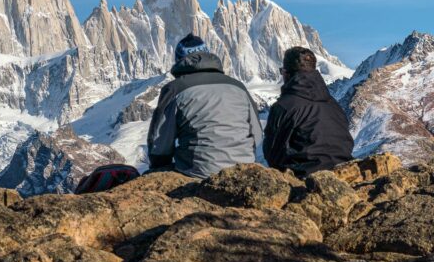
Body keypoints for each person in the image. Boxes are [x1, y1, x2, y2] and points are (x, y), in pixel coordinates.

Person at [147, 34, 261, 178]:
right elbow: (257, 137)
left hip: (198, 172)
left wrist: (157, 168)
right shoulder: (239, 87)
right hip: (244, 170)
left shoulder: (175, 89)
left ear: (179, 60)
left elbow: (160, 144)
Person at [263, 46, 354, 176]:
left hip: (305, 178)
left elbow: (272, 154)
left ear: (287, 73)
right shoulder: (334, 105)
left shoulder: (284, 106)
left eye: (281, 71)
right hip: (345, 174)